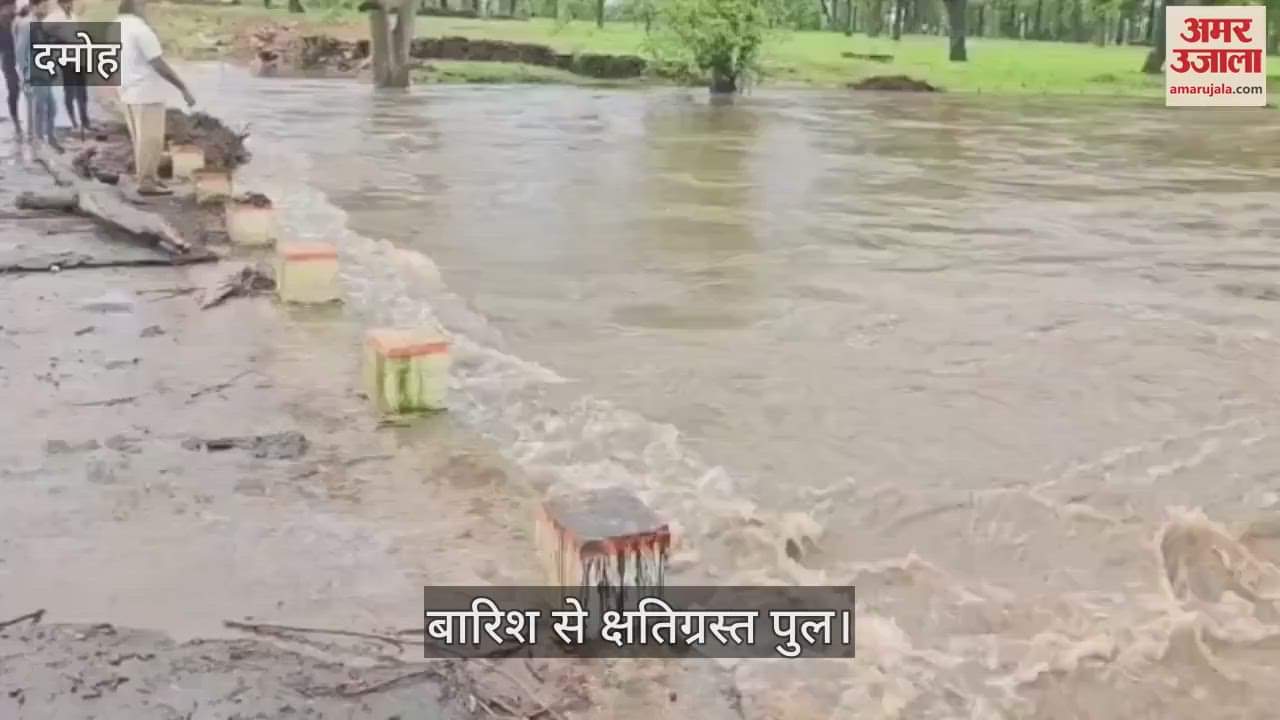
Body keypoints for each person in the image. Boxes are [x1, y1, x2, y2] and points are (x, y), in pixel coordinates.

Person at [117, 0, 195, 195]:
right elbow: (158, 63)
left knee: (139, 139)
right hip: (146, 93)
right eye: (144, 5)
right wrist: (182, 87)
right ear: (136, 5)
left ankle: (146, 176)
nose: (147, 9)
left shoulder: (115, 25)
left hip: (127, 90)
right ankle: (147, 182)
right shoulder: (141, 30)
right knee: (151, 140)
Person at [15, 0, 59, 151]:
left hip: (44, 72)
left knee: (51, 108)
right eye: (42, 5)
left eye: (46, 5)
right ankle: (38, 142)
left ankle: (47, 138)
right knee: (39, 109)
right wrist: (24, 75)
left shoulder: (42, 25)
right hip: (34, 74)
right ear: (34, 7)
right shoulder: (28, 25)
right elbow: (21, 51)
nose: (45, 8)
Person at [46, 0, 88, 135]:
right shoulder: (55, 17)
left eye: (70, 2)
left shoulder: (73, 16)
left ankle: (84, 120)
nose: (69, 5)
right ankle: (73, 121)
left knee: (82, 91)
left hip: (79, 58)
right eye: (66, 3)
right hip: (66, 59)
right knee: (69, 90)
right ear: (60, 4)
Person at [0, 0, 21, 137]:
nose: (13, 9)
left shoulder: (17, 18)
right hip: (8, 57)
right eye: (10, 7)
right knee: (14, 88)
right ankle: (15, 118)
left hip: (21, 55)